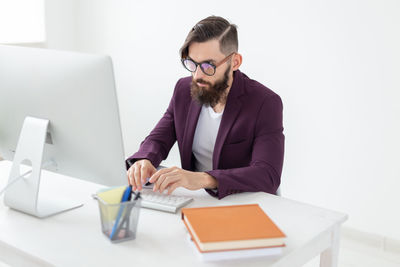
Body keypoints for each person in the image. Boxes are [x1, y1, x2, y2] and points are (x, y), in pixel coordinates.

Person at [126, 16, 284, 199]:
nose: (197, 75)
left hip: (244, 202)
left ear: (235, 62)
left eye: (208, 65)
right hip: (199, 201)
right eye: (191, 63)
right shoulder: (183, 90)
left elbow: (267, 175)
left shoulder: (265, 102)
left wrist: (204, 179)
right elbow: (158, 140)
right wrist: (144, 159)